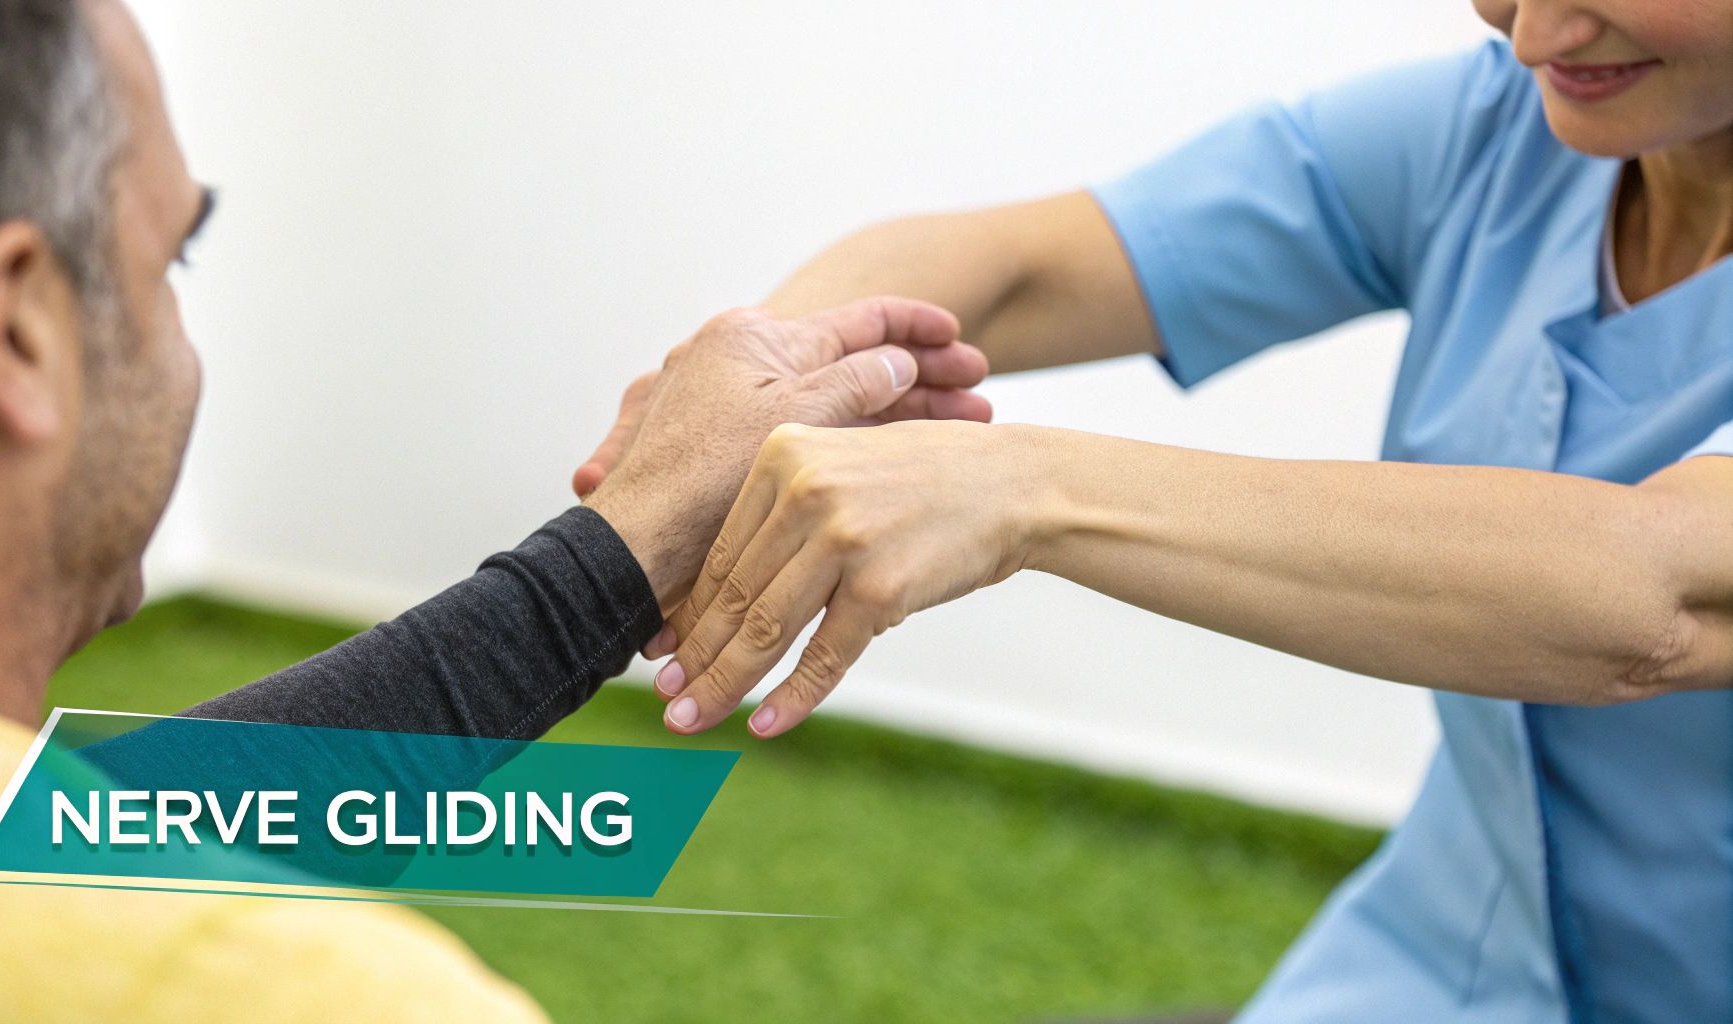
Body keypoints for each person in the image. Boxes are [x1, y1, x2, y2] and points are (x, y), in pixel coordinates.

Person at [579, 1, 1733, 1021]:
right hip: (1446, 966)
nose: (1530, 33)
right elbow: (1025, 263)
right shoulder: (1498, 132)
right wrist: (770, 373)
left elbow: (1657, 592)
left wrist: (1022, 489)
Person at [0, 0, 992, 1019]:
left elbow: (48, 843)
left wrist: (604, 566)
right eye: (169, 261)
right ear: (18, 331)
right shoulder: (283, 991)